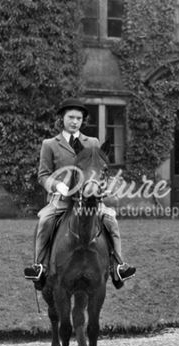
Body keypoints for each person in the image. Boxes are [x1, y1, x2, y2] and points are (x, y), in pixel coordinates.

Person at [23, 98, 136, 290]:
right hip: (62, 200)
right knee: (45, 221)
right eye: (71, 117)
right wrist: (58, 186)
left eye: (78, 118)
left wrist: (102, 186)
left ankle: (118, 266)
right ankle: (40, 266)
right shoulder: (50, 144)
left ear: (82, 120)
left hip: (90, 199)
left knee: (111, 220)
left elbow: (100, 170)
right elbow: (43, 175)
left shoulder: (92, 142)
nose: (75, 121)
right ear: (62, 118)